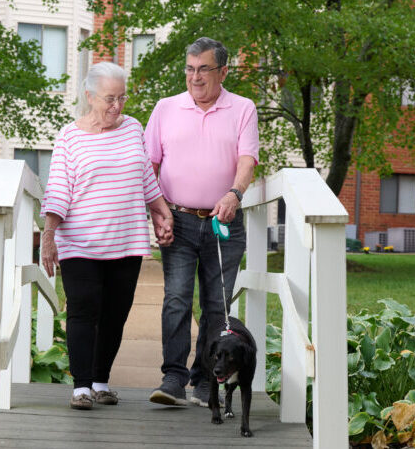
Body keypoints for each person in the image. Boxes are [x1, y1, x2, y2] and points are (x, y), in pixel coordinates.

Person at [41, 61, 174, 411]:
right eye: (109, 98)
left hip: (126, 241)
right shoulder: (69, 136)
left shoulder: (132, 128)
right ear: (89, 96)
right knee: (83, 312)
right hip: (80, 243)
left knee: (116, 314)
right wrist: (49, 236)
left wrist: (161, 210)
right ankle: (81, 387)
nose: (117, 106)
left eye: (123, 97)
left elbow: (144, 174)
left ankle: (101, 382)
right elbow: (57, 189)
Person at [145, 37, 259, 407]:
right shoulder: (165, 108)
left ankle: (207, 379)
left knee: (217, 305)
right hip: (177, 218)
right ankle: (174, 378)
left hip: (223, 220)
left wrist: (234, 194)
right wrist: (157, 212)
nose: (195, 77)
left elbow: (247, 160)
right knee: (176, 299)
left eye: (204, 69)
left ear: (223, 71)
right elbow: (150, 167)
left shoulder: (243, 108)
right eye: (190, 69)